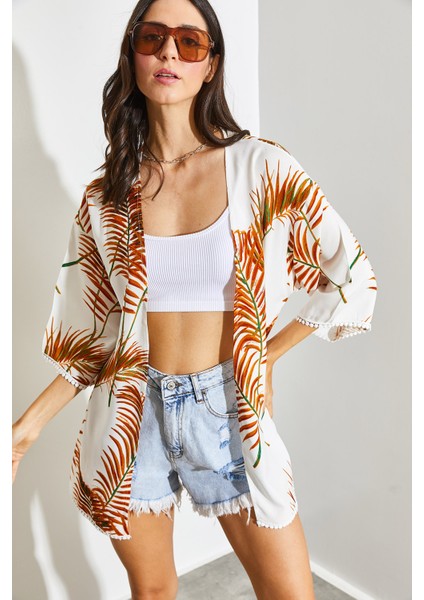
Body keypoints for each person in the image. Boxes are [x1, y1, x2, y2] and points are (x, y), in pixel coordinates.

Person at [12, 0, 378, 598]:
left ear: (211, 65)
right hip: (132, 415)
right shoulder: (105, 197)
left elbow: (352, 276)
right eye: (153, 37)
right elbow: (94, 339)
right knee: (153, 591)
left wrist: (262, 356)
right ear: (133, 53)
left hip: (226, 409)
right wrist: (23, 431)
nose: (169, 53)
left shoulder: (260, 166)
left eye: (189, 41)